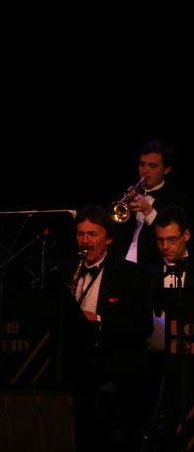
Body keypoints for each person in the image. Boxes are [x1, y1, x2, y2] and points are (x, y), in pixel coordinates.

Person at [67, 205, 154, 449]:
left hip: (114, 363)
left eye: (92, 234)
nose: (85, 241)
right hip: (76, 362)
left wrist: (98, 320)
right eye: (81, 234)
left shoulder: (129, 273)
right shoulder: (67, 270)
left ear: (108, 239)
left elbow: (142, 326)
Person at [118, 140, 190, 265]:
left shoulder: (177, 199)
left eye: (152, 166)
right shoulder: (128, 194)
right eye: (142, 164)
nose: (145, 171)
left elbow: (171, 239)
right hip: (123, 263)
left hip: (151, 267)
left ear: (166, 169)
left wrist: (148, 211)